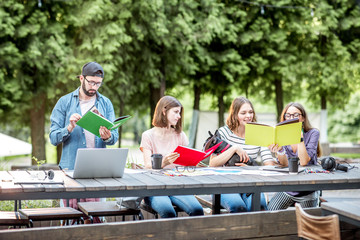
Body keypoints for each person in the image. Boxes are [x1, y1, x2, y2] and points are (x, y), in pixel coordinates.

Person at [49, 61, 118, 222]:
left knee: (96, 220)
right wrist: (69, 128)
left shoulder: (105, 103)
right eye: (91, 82)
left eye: (98, 83)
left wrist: (107, 135)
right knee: (70, 221)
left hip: (97, 171)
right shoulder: (65, 102)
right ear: (81, 78)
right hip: (71, 170)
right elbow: (53, 138)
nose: (94, 87)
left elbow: (114, 137)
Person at [140, 96, 204, 218]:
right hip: (155, 188)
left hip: (177, 186)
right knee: (168, 212)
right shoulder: (148, 136)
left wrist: (193, 162)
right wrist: (162, 163)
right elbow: (147, 166)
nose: (179, 116)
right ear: (164, 111)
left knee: (197, 210)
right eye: (175, 112)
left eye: (179, 113)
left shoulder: (180, 135)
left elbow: (185, 163)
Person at [209, 96, 276, 212]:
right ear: (235, 115)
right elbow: (212, 163)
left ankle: (256, 230)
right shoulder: (224, 132)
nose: (248, 116)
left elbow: (269, 165)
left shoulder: (259, 134)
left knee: (260, 206)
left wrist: (251, 169)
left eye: (250, 112)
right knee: (238, 207)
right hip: (225, 183)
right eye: (243, 113)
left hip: (251, 183)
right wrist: (234, 149)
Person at [267, 102, 321, 210]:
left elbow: (304, 162)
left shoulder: (313, 133)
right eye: (288, 115)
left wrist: (299, 138)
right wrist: (280, 150)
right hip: (288, 188)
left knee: (306, 219)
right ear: (284, 117)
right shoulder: (282, 135)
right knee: (271, 210)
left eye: (296, 115)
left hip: (307, 188)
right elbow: (284, 163)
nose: (292, 118)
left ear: (303, 118)